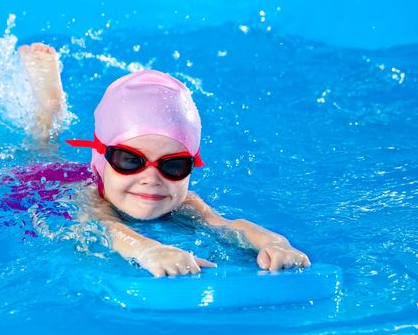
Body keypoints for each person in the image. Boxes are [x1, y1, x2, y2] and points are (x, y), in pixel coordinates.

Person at [18, 42, 311, 277]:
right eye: (129, 160)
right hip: (44, 182)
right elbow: (110, 229)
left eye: (173, 165)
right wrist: (150, 250)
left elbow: (225, 224)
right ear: (102, 157)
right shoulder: (90, 198)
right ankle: (49, 111)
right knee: (40, 150)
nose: (151, 177)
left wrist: (275, 243)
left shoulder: (184, 202)